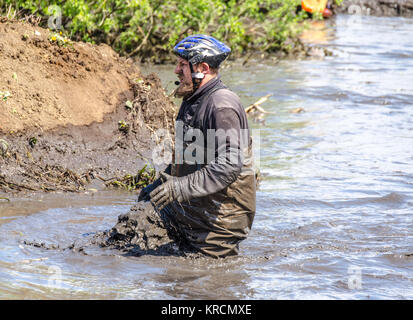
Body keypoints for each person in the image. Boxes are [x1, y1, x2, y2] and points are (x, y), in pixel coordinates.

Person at [139, 35, 256, 258]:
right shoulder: (194, 99)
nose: (176, 70)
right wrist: (158, 185)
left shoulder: (221, 105)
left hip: (218, 224)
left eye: (183, 65)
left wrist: (178, 188)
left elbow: (229, 164)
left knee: (199, 283)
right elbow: (191, 156)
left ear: (202, 68)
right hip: (192, 210)